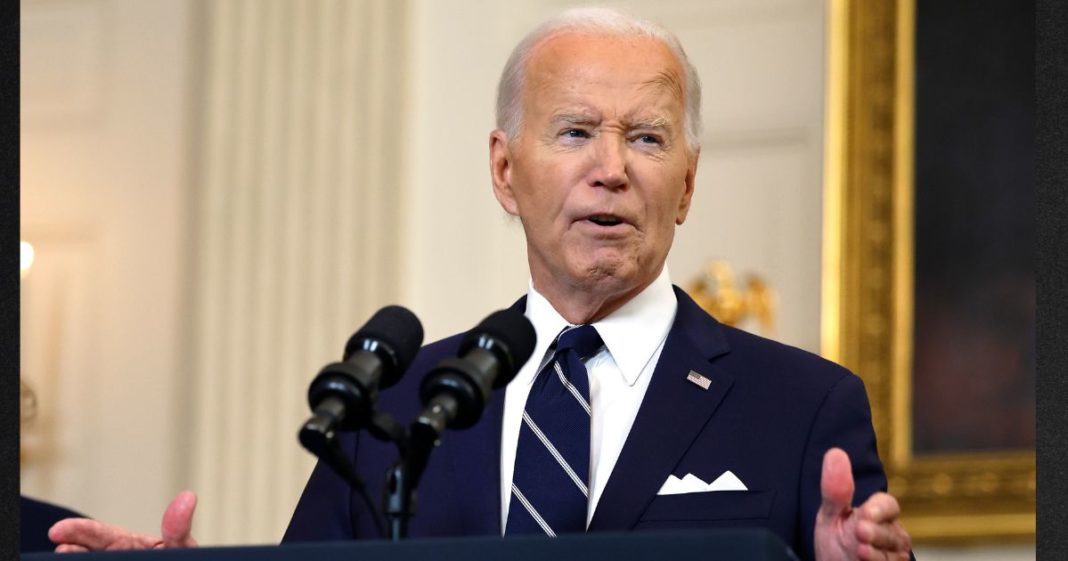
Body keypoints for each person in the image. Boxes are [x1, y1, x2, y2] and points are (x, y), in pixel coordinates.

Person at [50, 7, 912, 561]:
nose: (610, 170)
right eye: (575, 131)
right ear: (506, 171)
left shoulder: (803, 405)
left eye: (647, 139)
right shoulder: (401, 405)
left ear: (686, 184)